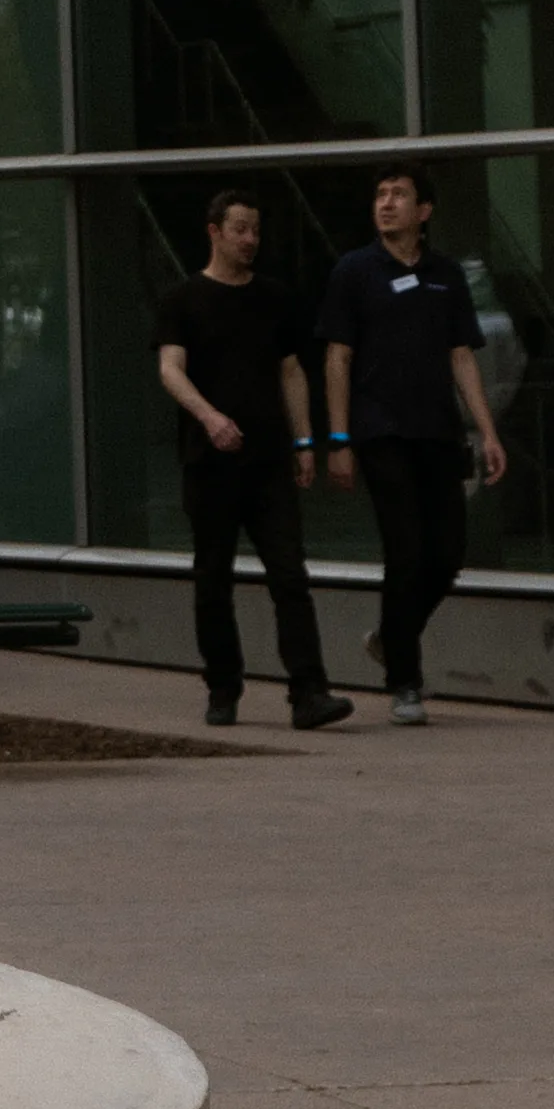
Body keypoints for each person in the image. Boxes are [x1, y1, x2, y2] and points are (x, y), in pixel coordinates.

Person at [148, 186, 356, 733]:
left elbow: (292, 371)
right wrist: (210, 418)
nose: (250, 240)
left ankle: (310, 691)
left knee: (289, 573)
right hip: (209, 462)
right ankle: (223, 685)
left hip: (268, 462)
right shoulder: (182, 300)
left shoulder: (275, 297)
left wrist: (304, 440)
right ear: (214, 232)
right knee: (213, 576)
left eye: (256, 230)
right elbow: (171, 369)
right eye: (240, 229)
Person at [315, 164, 507, 723]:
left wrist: (488, 432)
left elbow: (462, 356)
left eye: (399, 195)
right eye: (380, 194)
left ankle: (393, 634)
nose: (387, 203)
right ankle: (406, 681)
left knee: (446, 553)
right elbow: (337, 358)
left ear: (424, 212)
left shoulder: (447, 276)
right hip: (380, 430)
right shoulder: (355, 271)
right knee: (405, 550)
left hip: (438, 430)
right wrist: (340, 438)